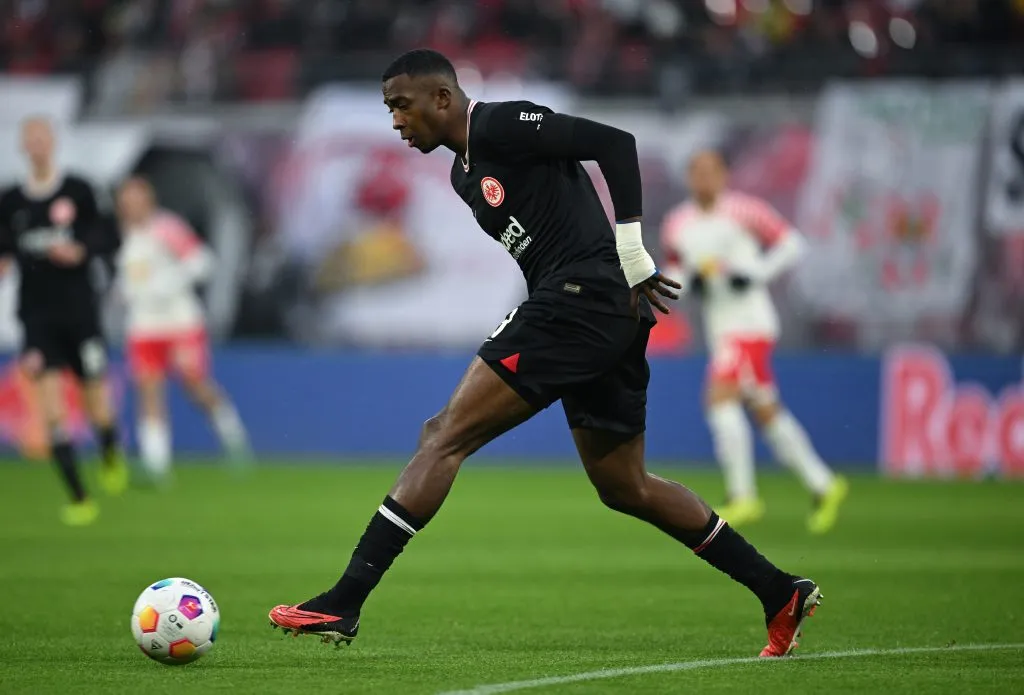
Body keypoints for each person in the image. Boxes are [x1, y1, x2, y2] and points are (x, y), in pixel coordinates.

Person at [269, 49, 821, 658]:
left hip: (583, 298)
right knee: (624, 486)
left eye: (402, 105)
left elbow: (615, 142)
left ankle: (344, 601)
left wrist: (631, 249)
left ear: (443, 100)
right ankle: (779, 592)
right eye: (389, 110)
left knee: (442, 435)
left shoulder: (503, 124)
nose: (396, 121)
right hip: (593, 309)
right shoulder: (462, 173)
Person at [661, 151, 849, 534]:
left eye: (711, 170)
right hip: (720, 326)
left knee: (719, 401)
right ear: (688, 176)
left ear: (725, 174)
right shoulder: (677, 223)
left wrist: (756, 273)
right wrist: (687, 285)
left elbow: (792, 243)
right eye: (696, 171)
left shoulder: (745, 211)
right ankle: (824, 484)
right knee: (766, 411)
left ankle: (742, 495)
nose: (704, 178)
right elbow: (674, 272)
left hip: (749, 323)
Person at [0, 116, 128, 526]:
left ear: (52, 142)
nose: (36, 144)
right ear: (23, 146)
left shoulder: (79, 191)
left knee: (97, 406)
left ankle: (109, 449)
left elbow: (110, 235)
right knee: (52, 411)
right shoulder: (11, 202)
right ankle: (79, 496)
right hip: (37, 319)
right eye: (29, 138)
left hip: (81, 314)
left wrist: (82, 250)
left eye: (42, 137)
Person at [115, 176, 250, 481]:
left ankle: (233, 436)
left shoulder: (166, 227)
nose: (130, 206)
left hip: (179, 321)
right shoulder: (120, 235)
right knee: (148, 389)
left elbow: (202, 261)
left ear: (148, 200)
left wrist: (166, 283)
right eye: (125, 201)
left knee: (195, 384)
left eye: (136, 199)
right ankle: (156, 463)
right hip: (144, 325)